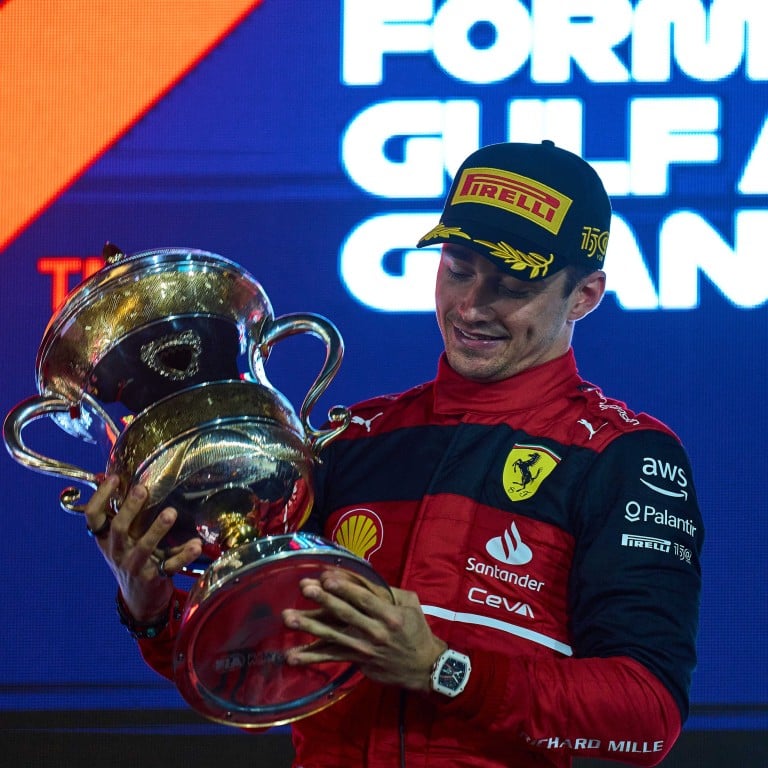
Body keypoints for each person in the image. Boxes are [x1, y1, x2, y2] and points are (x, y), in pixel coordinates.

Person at [84, 140, 703, 767]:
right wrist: (151, 606)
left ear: (585, 295)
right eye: (457, 269)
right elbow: (245, 668)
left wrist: (443, 669)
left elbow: (649, 717)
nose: (470, 307)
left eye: (513, 286)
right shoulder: (354, 441)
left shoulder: (621, 456)